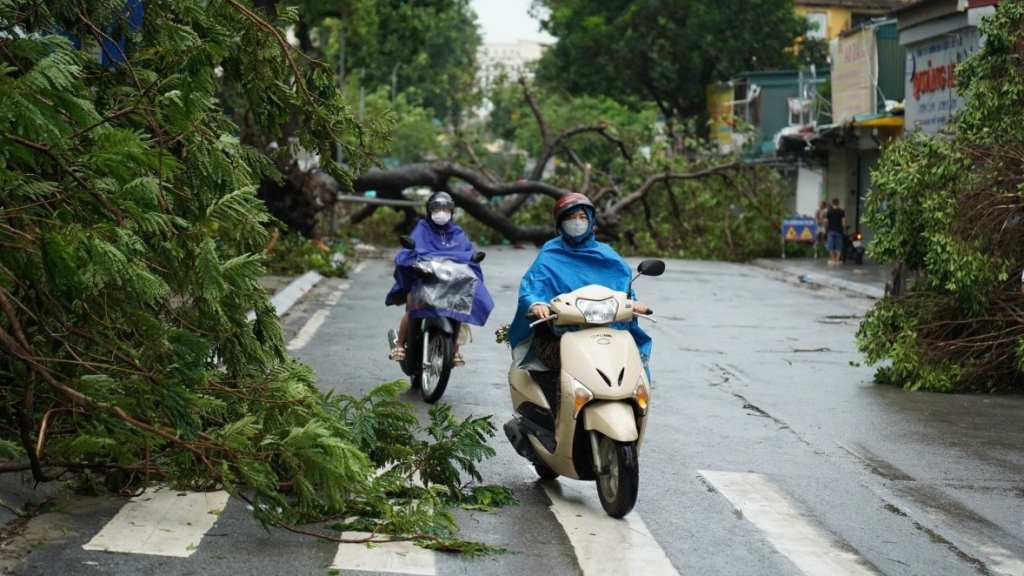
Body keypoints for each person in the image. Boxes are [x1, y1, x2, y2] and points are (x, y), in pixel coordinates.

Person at [507, 193, 652, 375]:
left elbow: (624, 288)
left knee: (627, 362)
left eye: (582, 217)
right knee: (566, 365)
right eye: (570, 217)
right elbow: (532, 286)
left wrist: (635, 303)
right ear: (560, 223)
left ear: (591, 221)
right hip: (560, 333)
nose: (577, 222)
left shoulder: (607, 255)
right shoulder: (550, 253)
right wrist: (536, 304)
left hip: (606, 330)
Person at [385, 191, 491, 366]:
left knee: (461, 307)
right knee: (412, 303)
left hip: (450, 281)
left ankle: (455, 349)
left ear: (451, 211)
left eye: (445, 208)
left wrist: (472, 257)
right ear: (429, 210)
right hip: (425, 278)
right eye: (437, 208)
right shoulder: (422, 228)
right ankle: (399, 344)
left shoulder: (457, 232)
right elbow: (411, 249)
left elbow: (467, 252)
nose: (441, 212)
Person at [825, 198, 846, 266]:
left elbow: (826, 221)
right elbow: (843, 222)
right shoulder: (841, 212)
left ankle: (833, 260)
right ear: (838, 203)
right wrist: (844, 230)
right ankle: (837, 260)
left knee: (830, 246)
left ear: (832, 203)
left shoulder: (829, 212)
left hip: (831, 230)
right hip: (839, 231)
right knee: (839, 247)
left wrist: (826, 228)